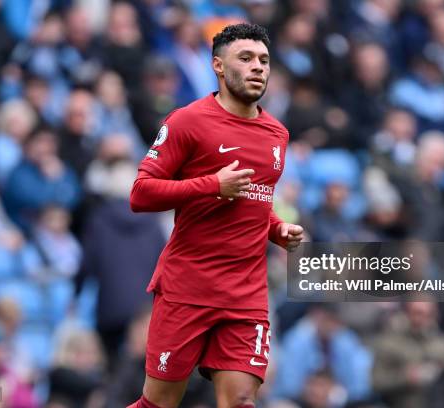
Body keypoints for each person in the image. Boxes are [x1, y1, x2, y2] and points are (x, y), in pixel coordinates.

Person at [128, 23, 303, 408]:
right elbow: (140, 194)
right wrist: (211, 185)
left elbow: (254, 200)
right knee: (159, 402)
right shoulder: (186, 121)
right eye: (246, 58)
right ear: (218, 67)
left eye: (264, 60)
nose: (258, 67)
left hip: (246, 294)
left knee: (241, 400)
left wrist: (277, 228)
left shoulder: (277, 134)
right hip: (188, 289)